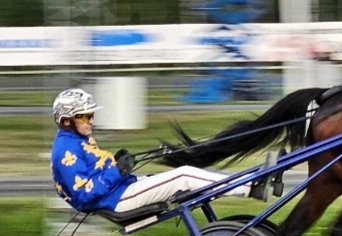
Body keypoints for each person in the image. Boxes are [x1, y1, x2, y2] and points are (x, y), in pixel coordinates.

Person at [51, 87, 253, 214]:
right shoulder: (65, 151)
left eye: (91, 115)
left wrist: (118, 162)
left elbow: (97, 172)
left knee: (182, 174)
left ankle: (245, 183)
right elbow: (83, 196)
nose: (92, 120)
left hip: (120, 190)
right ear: (67, 120)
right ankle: (249, 187)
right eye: (86, 116)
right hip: (114, 201)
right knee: (184, 176)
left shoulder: (78, 139)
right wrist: (117, 170)